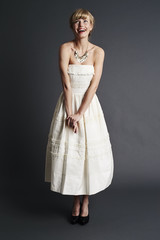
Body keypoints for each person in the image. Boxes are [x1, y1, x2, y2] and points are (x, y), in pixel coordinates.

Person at [44, 8, 114, 225]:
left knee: (87, 156)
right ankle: (76, 201)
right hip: (68, 104)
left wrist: (80, 113)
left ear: (91, 26)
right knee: (72, 154)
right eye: (76, 21)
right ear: (72, 26)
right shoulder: (64, 48)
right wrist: (70, 113)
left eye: (85, 21)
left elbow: (94, 85)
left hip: (88, 108)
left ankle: (86, 202)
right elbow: (65, 82)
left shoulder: (99, 52)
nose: (81, 24)